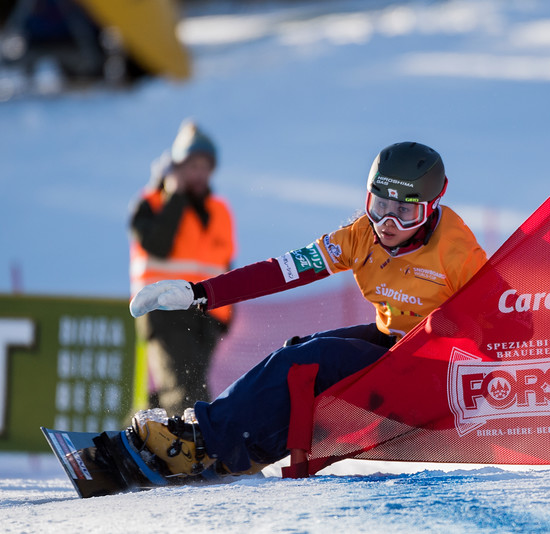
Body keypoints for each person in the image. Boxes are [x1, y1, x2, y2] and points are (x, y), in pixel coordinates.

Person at [128, 141, 487, 477]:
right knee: (296, 350)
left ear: (432, 206)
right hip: (393, 343)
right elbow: (282, 271)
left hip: (429, 370)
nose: (387, 224)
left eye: (404, 211)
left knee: (309, 360)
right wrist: (200, 293)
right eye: (379, 206)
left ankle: (206, 442)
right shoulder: (360, 236)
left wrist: (453, 330)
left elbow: (511, 320)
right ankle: (237, 450)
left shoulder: (456, 251)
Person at [129, 119, 235, 417]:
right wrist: (174, 194)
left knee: (179, 389)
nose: (199, 173)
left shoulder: (220, 211)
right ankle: (195, 457)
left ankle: (134, 439)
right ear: (175, 167)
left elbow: (225, 265)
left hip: (207, 316)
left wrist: (227, 315)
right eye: (192, 165)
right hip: (163, 311)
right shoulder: (150, 204)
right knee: (186, 392)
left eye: (205, 166)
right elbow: (158, 245)